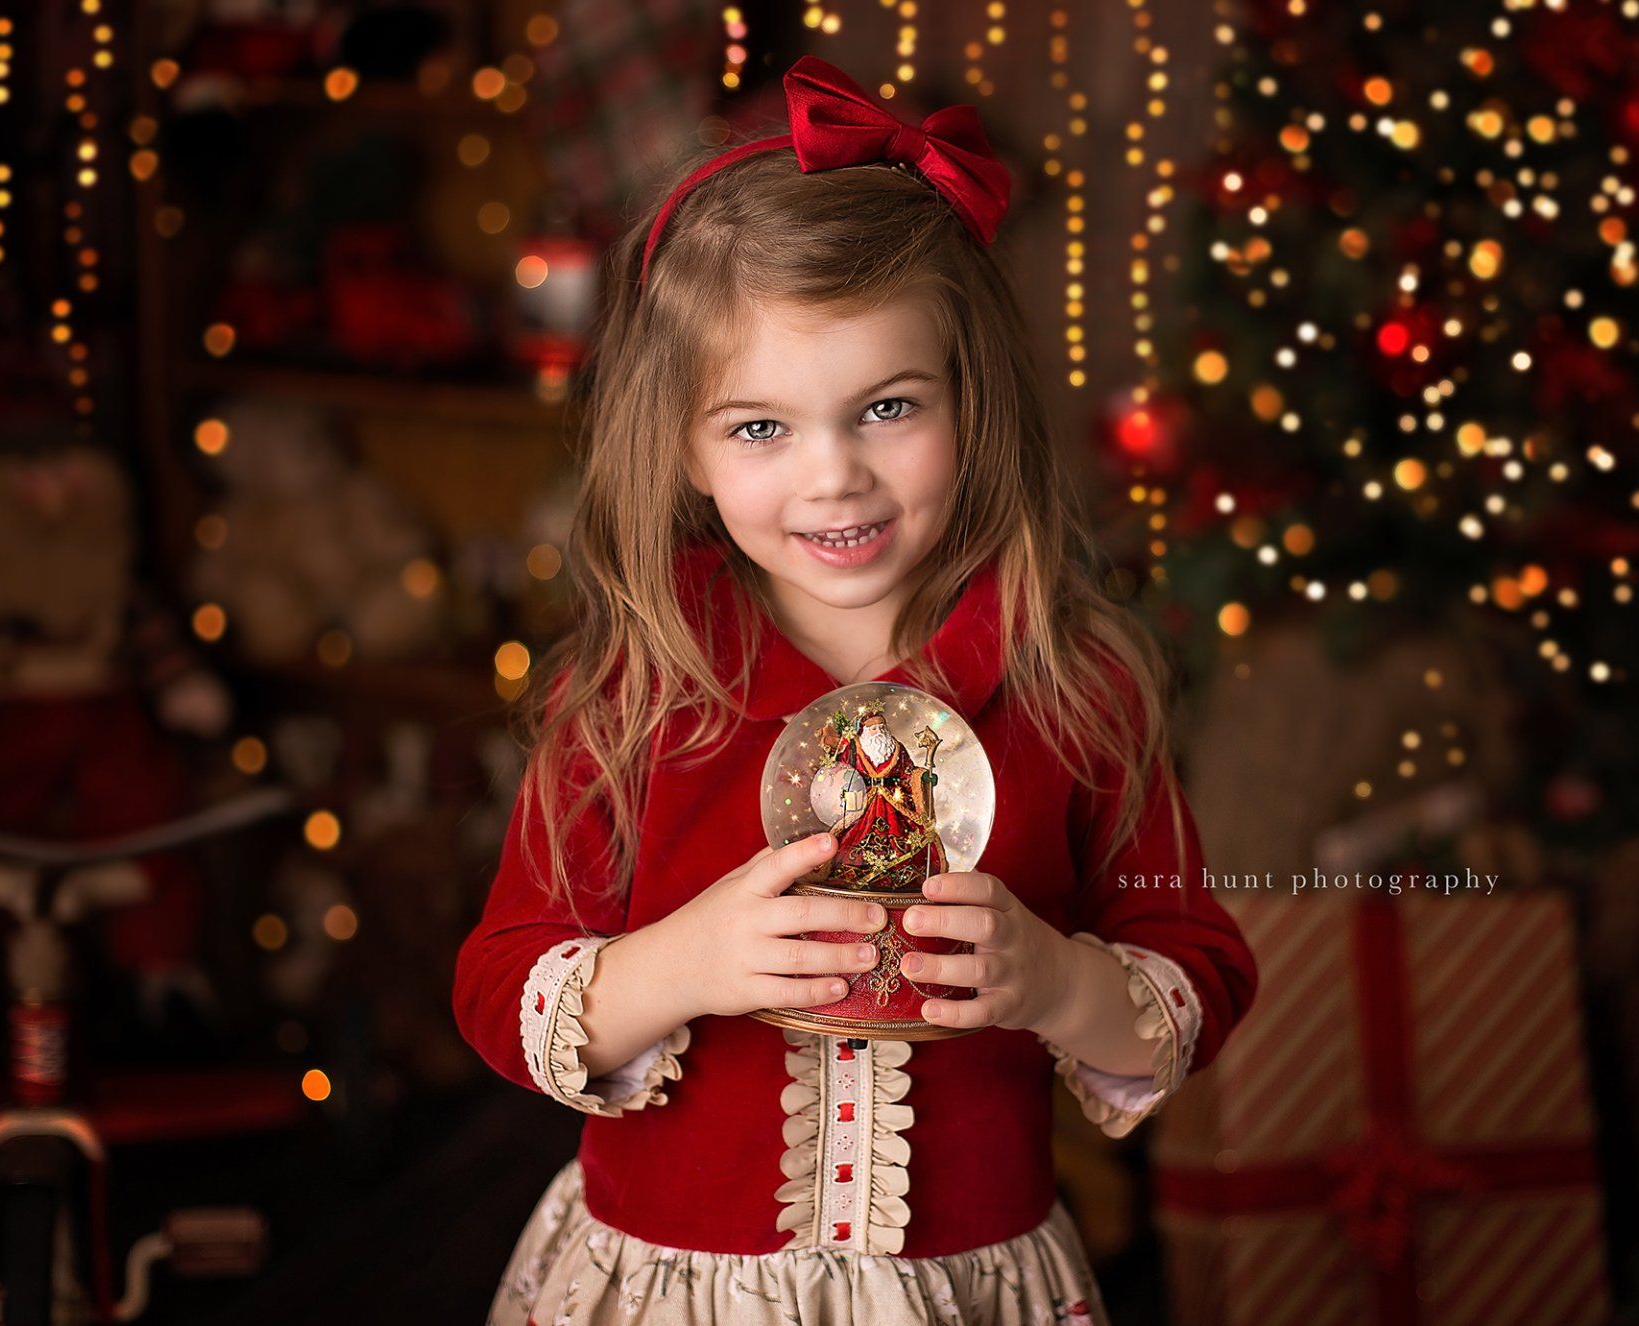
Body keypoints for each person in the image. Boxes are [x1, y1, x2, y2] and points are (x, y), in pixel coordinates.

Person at [452, 53, 1260, 1326]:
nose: (833, 479)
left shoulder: (1075, 682)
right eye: (760, 427)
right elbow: (501, 987)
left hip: (970, 1285)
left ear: (970, 402)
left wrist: (1055, 984)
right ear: (682, 443)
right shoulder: (635, 694)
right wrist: (682, 963)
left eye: (886, 408)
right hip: (674, 1290)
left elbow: (1200, 971)